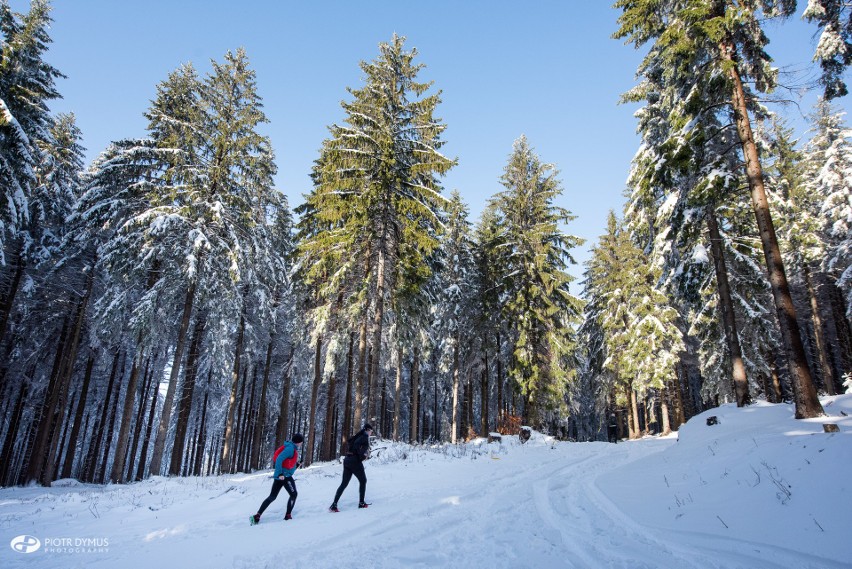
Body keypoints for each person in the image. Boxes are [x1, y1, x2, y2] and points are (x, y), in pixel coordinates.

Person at [250, 433, 304, 525]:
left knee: (272, 496)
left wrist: (297, 466)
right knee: (294, 494)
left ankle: (257, 516)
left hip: (283, 475)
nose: (301, 444)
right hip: (284, 476)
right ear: (298, 442)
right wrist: (280, 473)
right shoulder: (290, 449)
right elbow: (279, 459)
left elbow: (288, 466)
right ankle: (288, 516)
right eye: (301, 442)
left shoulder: (291, 448)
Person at [329, 423, 372, 512]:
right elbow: (357, 446)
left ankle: (334, 505)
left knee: (344, 483)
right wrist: (363, 456)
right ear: (367, 430)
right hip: (354, 461)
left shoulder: (358, 435)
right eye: (371, 431)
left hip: (347, 460)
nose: (371, 433)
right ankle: (361, 503)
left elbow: (351, 444)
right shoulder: (364, 436)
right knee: (363, 480)